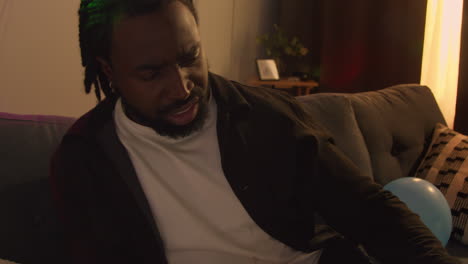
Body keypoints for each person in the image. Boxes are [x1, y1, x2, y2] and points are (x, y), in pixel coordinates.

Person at [50, 0, 460, 263]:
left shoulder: (267, 116)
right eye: (151, 73)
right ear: (109, 71)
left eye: (190, 57)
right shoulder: (86, 158)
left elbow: (369, 209)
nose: (182, 87)